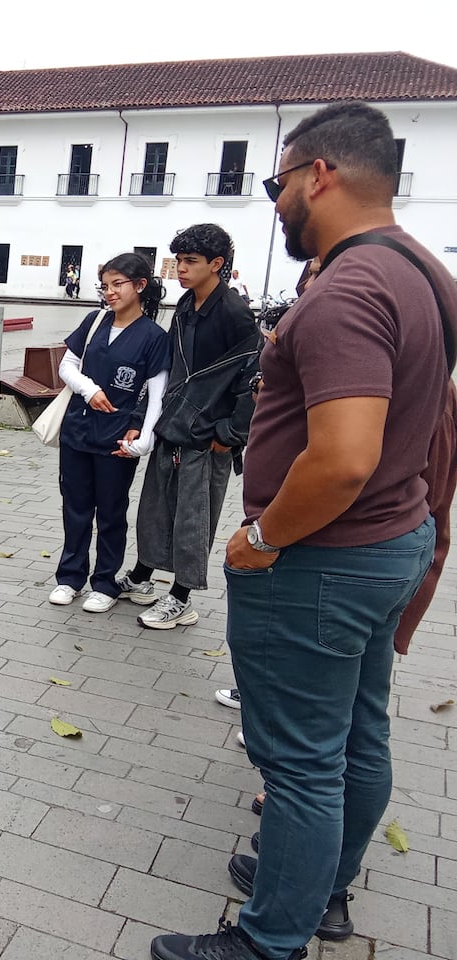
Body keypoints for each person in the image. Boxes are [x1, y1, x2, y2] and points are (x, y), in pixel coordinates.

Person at [151, 101, 457, 960]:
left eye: (278, 181)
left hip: (323, 558)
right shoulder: (425, 271)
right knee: (358, 733)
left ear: (319, 174)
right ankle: (318, 883)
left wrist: (267, 536)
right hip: (394, 540)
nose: (275, 200)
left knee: (301, 763)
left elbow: (346, 457)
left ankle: (269, 940)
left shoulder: (351, 288)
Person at [117, 223, 259, 629]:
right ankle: (143, 576)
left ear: (217, 264)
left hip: (208, 435)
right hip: (173, 423)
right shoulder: (185, 305)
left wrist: (228, 436)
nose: (180, 268)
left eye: (191, 261)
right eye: (178, 260)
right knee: (157, 507)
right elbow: (171, 368)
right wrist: (143, 418)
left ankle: (181, 597)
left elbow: (254, 378)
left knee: (194, 517)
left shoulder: (234, 312)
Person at [48, 253, 171, 613]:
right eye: (106, 285)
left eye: (118, 284)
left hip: (118, 440)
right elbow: (68, 365)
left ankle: (105, 582)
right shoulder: (95, 320)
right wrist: (90, 390)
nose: (110, 292)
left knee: (112, 513)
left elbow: (156, 392)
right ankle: (70, 577)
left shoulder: (153, 337)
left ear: (140, 286)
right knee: (75, 507)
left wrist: (144, 440)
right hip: (78, 432)